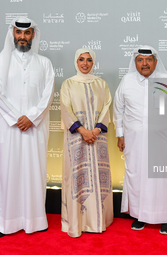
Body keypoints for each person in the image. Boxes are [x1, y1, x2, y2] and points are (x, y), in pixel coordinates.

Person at [0, 17, 55, 237]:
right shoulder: (1, 62)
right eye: (19, 33)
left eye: (27, 33)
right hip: (9, 129)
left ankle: (36, 221)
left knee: (35, 172)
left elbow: (48, 96)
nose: (22, 37)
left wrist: (32, 118)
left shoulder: (44, 63)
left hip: (35, 129)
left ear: (33, 35)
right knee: (9, 172)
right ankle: (6, 223)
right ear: (13, 34)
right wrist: (18, 118)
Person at [113, 45, 167, 235]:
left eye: (148, 60)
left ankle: (165, 218)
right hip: (133, 140)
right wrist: (120, 134)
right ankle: (139, 215)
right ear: (135, 62)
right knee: (136, 176)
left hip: (161, 141)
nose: (144, 64)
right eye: (140, 60)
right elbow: (118, 109)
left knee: (159, 178)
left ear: (155, 61)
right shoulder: (127, 81)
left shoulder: (165, 80)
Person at [60, 48, 113, 238]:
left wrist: (96, 130)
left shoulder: (101, 84)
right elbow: (66, 109)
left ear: (93, 62)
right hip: (76, 139)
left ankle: (98, 220)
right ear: (76, 61)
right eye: (81, 59)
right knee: (78, 177)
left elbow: (107, 107)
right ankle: (78, 221)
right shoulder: (68, 84)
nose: (85, 63)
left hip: (97, 138)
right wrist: (83, 131)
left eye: (89, 60)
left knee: (98, 177)